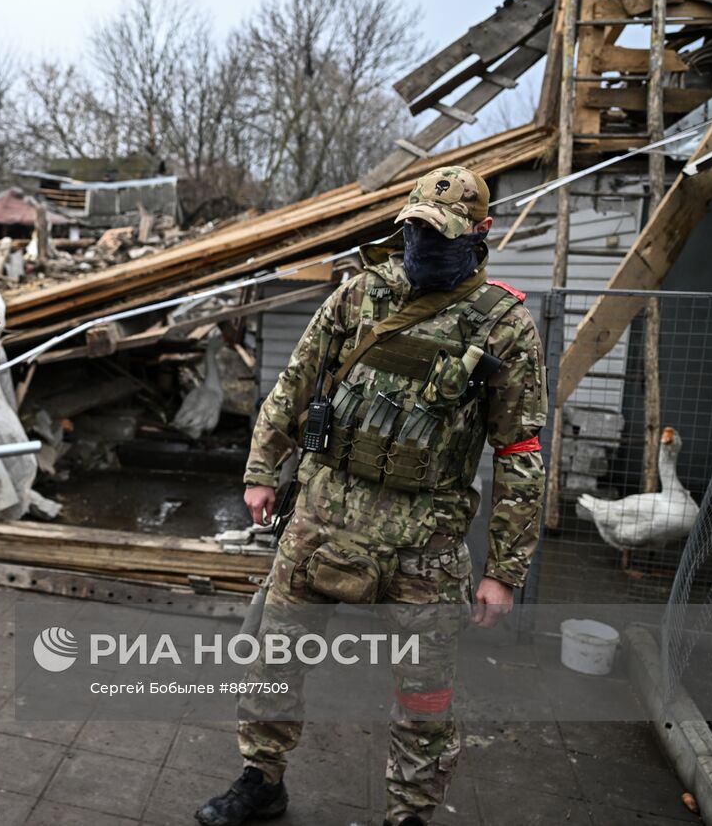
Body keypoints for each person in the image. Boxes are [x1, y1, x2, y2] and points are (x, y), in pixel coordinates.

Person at [195, 167, 547, 826]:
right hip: (325, 515)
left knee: (425, 692)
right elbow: (293, 384)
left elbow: (520, 455)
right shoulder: (361, 297)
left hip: (426, 541)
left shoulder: (502, 327)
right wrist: (261, 469)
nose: (422, 245)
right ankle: (260, 779)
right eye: (414, 230)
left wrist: (504, 570)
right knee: (274, 656)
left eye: (439, 235)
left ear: (480, 233)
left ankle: (409, 812)